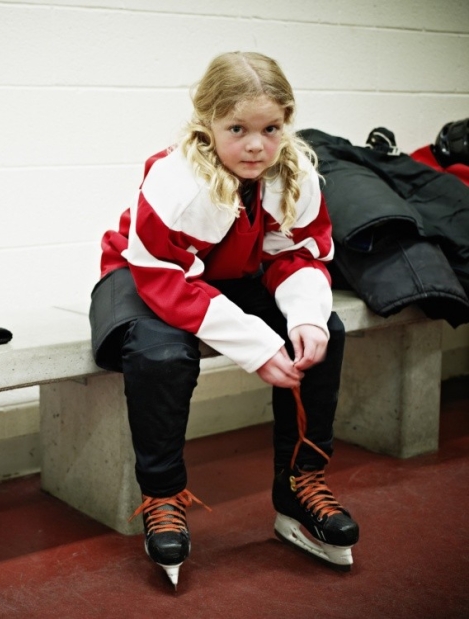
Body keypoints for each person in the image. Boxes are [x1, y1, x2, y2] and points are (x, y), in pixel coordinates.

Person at [89, 51, 359, 588]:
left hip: (226, 274)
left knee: (323, 331)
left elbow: (297, 254)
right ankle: (163, 495)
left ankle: (300, 483)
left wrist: (304, 315)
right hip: (144, 273)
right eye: (237, 128)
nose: (256, 144)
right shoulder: (176, 179)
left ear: (287, 121)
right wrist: (254, 346)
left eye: (271, 128)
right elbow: (167, 278)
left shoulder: (295, 171)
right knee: (160, 353)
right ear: (207, 122)